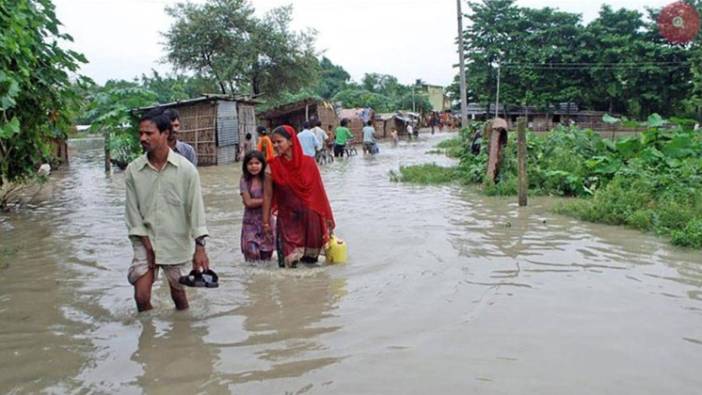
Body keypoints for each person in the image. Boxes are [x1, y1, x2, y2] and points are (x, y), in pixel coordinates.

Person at [125, 109, 209, 312]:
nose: (143, 138)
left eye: (149, 133)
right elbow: (132, 212)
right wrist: (148, 245)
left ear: (165, 134)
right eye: (141, 133)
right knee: (141, 296)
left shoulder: (187, 170)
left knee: (178, 294)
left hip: (176, 241)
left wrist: (200, 247)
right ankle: (148, 338)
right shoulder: (134, 170)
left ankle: (183, 334)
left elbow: (196, 209)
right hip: (145, 241)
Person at [262, 125, 335, 268]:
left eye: (279, 142)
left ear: (291, 142)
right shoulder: (271, 166)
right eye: (273, 142)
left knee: (311, 266)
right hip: (287, 220)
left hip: (310, 219)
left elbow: (319, 193)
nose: (275, 146)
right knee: (288, 265)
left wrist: (326, 219)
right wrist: (265, 223)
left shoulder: (309, 163)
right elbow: (267, 196)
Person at [240, 150, 275, 262]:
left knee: (266, 258)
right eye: (250, 164)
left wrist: (264, 201)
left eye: (257, 163)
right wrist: (267, 200)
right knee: (251, 256)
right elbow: (248, 202)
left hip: (267, 223)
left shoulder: (267, 178)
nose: (254, 166)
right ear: (246, 165)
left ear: (262, 164)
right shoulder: (244, 180)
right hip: (250, 223)